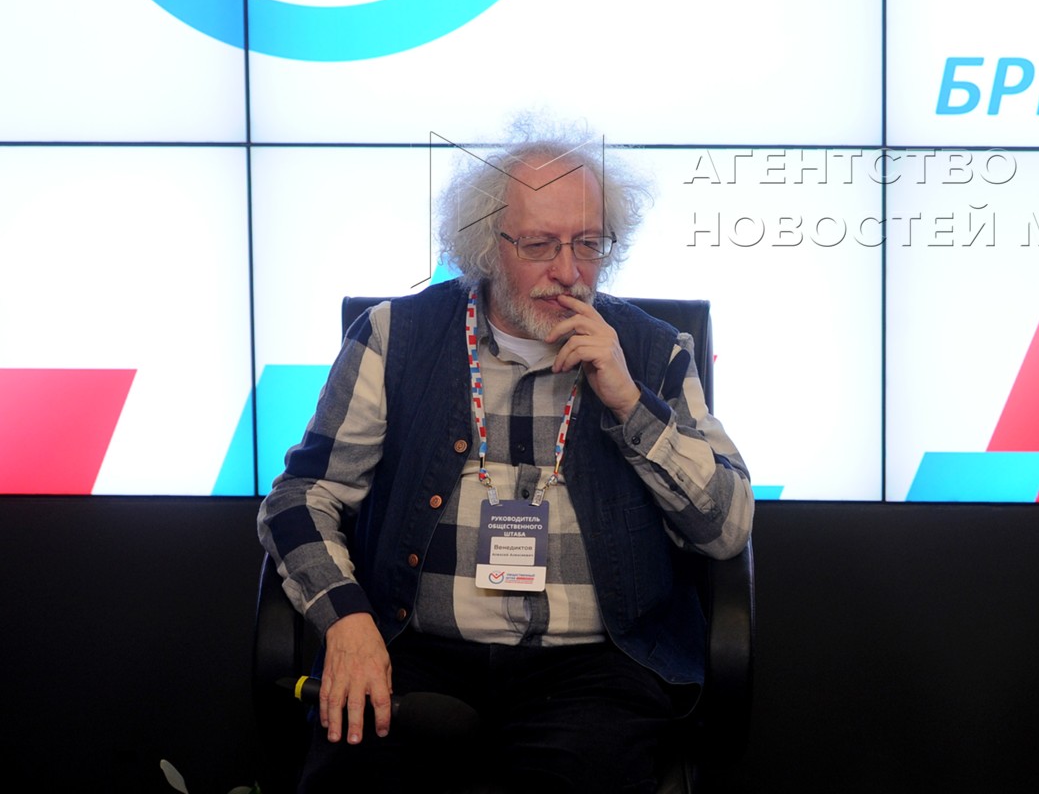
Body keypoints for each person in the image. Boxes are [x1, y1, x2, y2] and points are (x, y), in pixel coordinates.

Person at [258, 128, 752, 793]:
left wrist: (630, 402)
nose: (569, 271)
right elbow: (301, 499)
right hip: (415, 649)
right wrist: (346, 620)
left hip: (594, 670)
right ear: (486, 246)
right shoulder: (393, 337)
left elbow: (725, 529)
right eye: (540, 245)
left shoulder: (652, 351)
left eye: (588, 244)